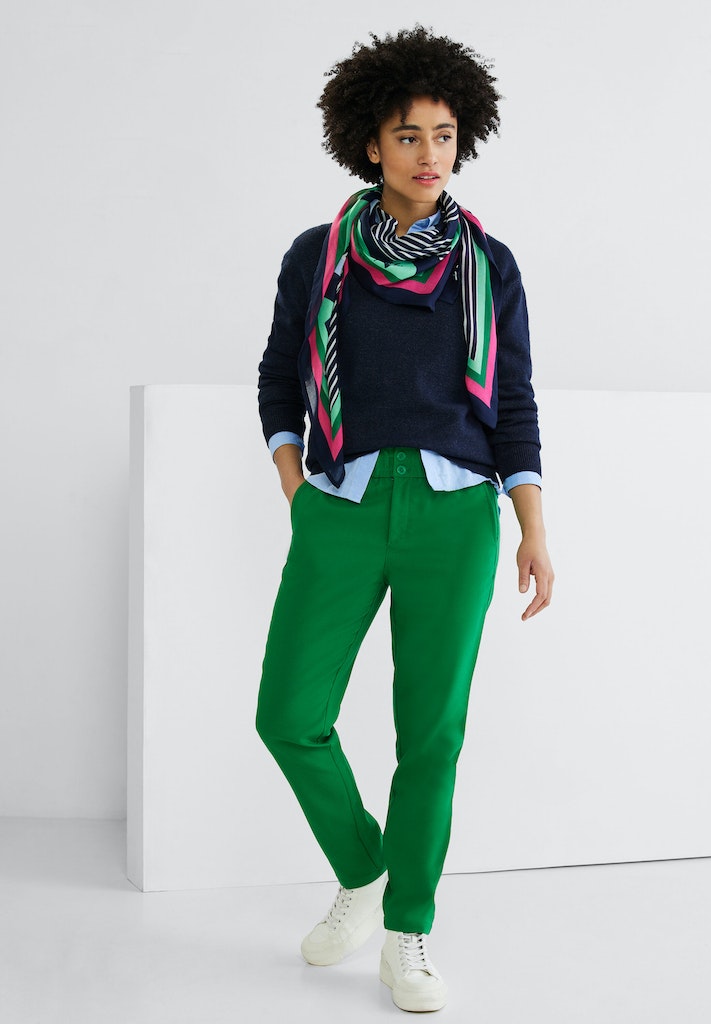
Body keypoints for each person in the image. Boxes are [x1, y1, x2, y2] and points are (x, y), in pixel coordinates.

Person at [255, 25, 554, 1014]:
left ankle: (406, 931)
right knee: (288, 715)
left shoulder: (488, 264)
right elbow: (279, 377)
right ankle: (365, 866)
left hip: (455, 512)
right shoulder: (318, 257)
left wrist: (532, 527)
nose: (431, 154)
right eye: (408, 135)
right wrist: (298, 487)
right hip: (339, 505)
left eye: (445, 134)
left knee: (430, 734)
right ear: (370, 144)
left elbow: (513, 401)